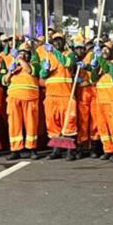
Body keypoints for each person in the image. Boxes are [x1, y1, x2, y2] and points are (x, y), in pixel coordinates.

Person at [2, 40, 44, 159]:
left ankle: (32, 148)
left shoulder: (34, 63)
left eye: (25, 53)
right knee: (14, 124)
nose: (23, 55)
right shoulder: (13, 64)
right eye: (21, 53)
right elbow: (4, 81)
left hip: (30, 97)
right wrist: (10, 72)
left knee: (31, 124)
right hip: (14, 97)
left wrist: (19, 59)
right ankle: (15, 149)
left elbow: (30, 70)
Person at [41, 32, 79, 161]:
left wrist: (54, 52)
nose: (57, 43)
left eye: (59, 40)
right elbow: (42, 74)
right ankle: (56, 150)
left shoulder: (70, 54)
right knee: (53, 125)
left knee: (68, 123)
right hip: (51, 95)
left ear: (64, 42)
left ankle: (70, 151)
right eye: (55, 41)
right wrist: (45, 69)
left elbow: (67, 63)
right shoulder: (47, 56)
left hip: (66, 94)